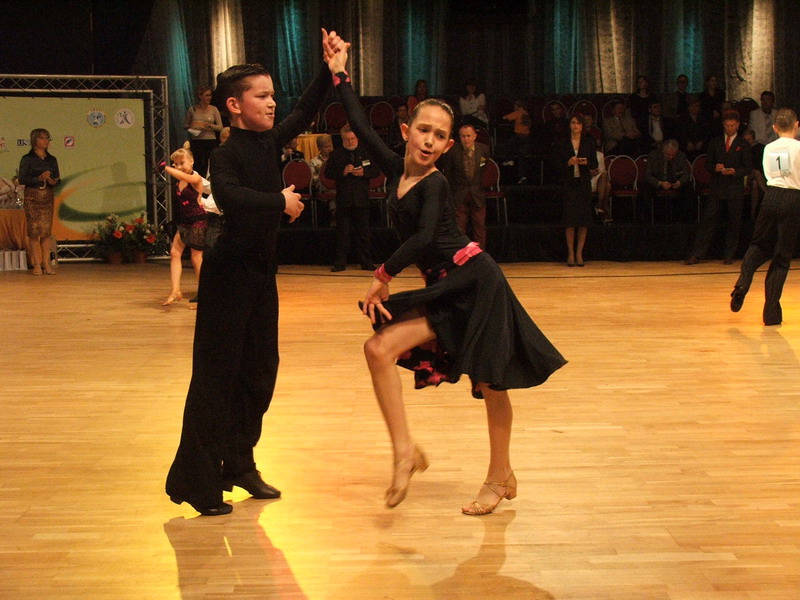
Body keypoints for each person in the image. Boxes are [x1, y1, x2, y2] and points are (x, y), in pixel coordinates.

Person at [328, 42, 566, 515]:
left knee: (491, 381)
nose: (429, 140)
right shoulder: (396, 169)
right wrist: (340, 74)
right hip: (447, 285)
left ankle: (499, 475)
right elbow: (359, 124)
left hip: (475, 282)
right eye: (423, 130)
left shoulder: (435, 183)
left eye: (440, 135)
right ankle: (405, 452)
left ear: (449, 145)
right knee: (378, 349)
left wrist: (382, 275)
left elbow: (421, 239)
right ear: (406, 130)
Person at [165, 28, 349, 516]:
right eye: (261, 96)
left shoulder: (268, 142)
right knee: (216, 378)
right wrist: (279, 202)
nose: (272, 103)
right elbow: (228, 195)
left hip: (261, 275)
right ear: (234, 106)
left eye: (272, 95)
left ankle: (239, 464)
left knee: (261, 371)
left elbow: (304, 110)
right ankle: (197, 481)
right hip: (227, 276)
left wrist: (329, 69)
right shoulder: (225, 154)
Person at [730, 108, 800, 326]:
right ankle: (771, 312)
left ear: (774, 128)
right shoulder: (798, 148)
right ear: (797, 125)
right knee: (781, 257)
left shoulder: (768, 148)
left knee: (758, 245)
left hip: (771, 197)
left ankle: (742, 283)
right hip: (792, 199)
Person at [686, 112, 752, 265]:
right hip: (717, 187)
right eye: (727, 126)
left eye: (732, 125)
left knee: (734, 222)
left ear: (738, 125)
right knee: (708, 220)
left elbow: (748, 168)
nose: (729, 128)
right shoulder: (715, 142)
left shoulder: (743, 144)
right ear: (723, 125)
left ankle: (729, 254)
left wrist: (735, 171)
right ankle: (697, 253)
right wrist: (715, 167)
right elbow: (708, 164)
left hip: (734, 188)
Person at [328, 123, 379, 272]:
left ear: (357, 138)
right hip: (344, 199)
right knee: (342, 233)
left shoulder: (366, 152)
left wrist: (364, 173)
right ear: (342, 139)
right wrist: (343, 172)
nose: (350, 142)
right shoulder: (336, 155)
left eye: (352, 139)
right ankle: (340, 263)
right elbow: (328, 173)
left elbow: (376, 171)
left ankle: (366, 262)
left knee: (364, 232)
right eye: (347, 139)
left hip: (361, 198)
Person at [161, 148, 206, 306]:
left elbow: (183, 176)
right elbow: (180, 176)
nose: (179, 167)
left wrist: (166, 167)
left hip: (198, 221)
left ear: (192, 161)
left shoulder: (195, 177)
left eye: (182, 163)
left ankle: (204, 293)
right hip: (185, 221)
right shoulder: (179, 181)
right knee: (174, 253)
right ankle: (175, 291)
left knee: (196, 258)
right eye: (176, 164)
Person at [440, 123, 491, 249]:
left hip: (477, 193)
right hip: (459, 193)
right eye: (463, 136)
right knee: (459, 228)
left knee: (479, 227)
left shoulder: (484, 149)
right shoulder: (452, 151)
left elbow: (484, 169)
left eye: (468, 136)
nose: (466, 139)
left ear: (475, 136)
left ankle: (480, 255)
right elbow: (448, 174)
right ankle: (461, 255)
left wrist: (479, 185)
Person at [17, 128, 60, 276]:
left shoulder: (52, 159)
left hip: (47, 196)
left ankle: (46, 264)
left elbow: (57, 178)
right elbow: (22, 179)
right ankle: (36, 264)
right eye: (42, 138)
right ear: (35, 140)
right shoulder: (27, 158)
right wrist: (39, 178)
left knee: (46, 232)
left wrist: (52, 181)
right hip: (32, 197)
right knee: (34, 232)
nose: (46, 141)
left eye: (47, 138)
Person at [557, 116, 598, 266]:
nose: (575, 125)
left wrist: (586, 162)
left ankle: (579, 253)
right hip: (569, 184)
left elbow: (594, 163)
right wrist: (568, 162)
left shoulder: (588, 142)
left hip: (583, 183)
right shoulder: (563, 142)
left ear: (582, 126)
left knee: (583, 219)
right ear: (569, 125)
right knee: (570, 219)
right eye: (573, 123)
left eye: (578, 123)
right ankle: (570, 253)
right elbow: (556, 164)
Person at [639, 139, 691, 223]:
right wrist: (660, 183)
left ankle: (684, 219)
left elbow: (686, 174)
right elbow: (647, 175)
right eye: (668, 154)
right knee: (646, 187)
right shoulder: (653, 155)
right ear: (663, 150)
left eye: (673, 155)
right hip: (658, 181)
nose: (671, 157)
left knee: (688, 187)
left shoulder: (681, 156)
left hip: (674, 182)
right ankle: (647, 219)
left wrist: (680, 182)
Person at [184, 85, 223, 178]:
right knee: (196, 163)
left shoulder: (213, 109)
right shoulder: (193, 109)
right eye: (207, 95)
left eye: (210, 95)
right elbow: (185, 125)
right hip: (197, 140)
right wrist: (193, 126)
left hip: (210, 140)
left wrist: (210, 126)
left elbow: (220, 127)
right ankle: (196, 182)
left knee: (209, 164)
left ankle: (209, 183)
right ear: (200, 96)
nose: (209, 97)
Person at [502, 100, 532, 184]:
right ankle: (522, 176)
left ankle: (509, 160)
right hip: (526, 137)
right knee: (521, 156)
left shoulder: (518, 112)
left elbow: (505, 117)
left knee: (508, 144)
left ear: (518, 106)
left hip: (519, 136)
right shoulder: (526, 113)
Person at [742, 128, 766, 219]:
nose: (748, 142)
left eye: (749, 140)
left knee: (755, 183)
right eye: (745, 140)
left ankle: (753, 212)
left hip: (754, 175)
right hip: (743, 174)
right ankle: (767, 194)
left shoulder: (759, 148)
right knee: (756, 172)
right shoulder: (740, 149)